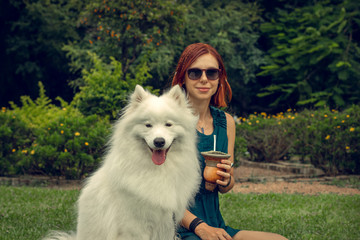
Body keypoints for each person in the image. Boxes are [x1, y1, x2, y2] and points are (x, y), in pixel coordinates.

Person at [171, 43, 288, 240]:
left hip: (216, 226)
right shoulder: (170, 122)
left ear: (220, 78)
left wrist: (225, 180)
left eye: (211, 73)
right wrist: (200, 228)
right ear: (182, 76)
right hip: (179, 229)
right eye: (194, 73)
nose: (204, 79)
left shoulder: (225, 122)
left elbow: (228, 184)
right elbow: (159, 195)